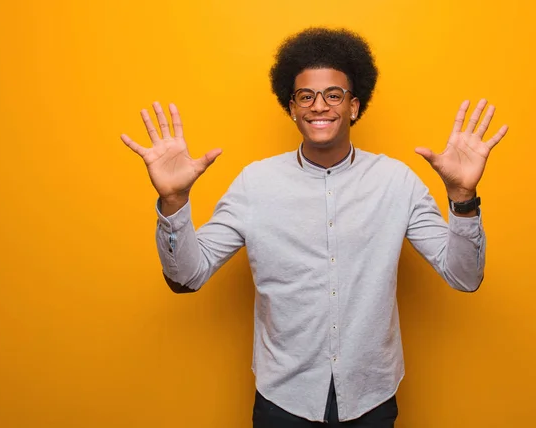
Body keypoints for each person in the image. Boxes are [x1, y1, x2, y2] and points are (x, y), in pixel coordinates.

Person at [121, 27, 508, 428]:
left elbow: (464, 277)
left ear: (354, 106)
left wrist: (463, 197)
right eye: (306, 96)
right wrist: (174, 202)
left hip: (371, 398)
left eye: (333, 95)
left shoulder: (397, 182)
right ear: (292, 108)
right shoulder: (255, 184)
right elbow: (187, 277)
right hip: (283, 400)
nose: (319, 106)